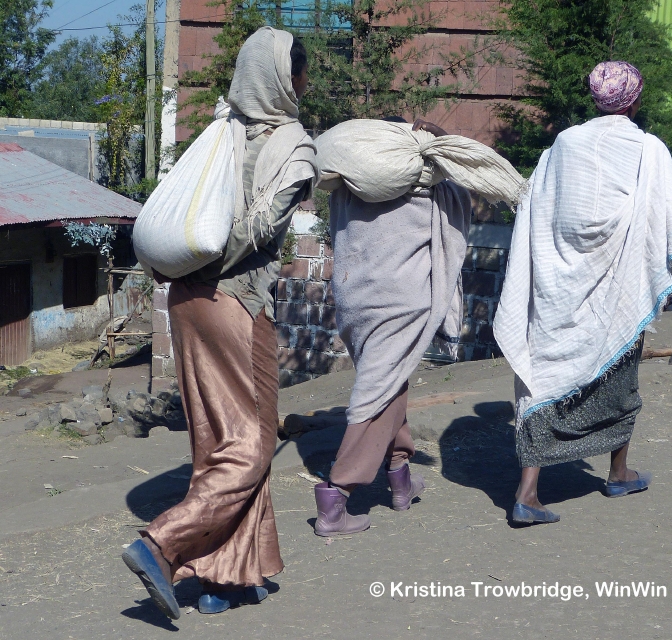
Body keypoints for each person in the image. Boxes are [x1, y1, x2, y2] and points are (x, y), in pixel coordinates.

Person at [121, 27, 316, 618]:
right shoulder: (293, 147)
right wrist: (215, 261)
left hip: (184, 300)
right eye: (302, 72)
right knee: (253, 443)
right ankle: (162, 544)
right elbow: (255, 233)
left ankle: (223, 578)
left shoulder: (222, 129)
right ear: (285, 78)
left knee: (216, 442)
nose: (306, 84)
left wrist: (188, 263)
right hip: (236, 305)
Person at [494, 61, 672, 525]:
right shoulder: (648, 149)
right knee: (621, 371)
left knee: (543, 375)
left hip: (558, 286)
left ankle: (528, 491)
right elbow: (666, 215)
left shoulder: (563, 144)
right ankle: (618, 472)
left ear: (595, 99)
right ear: (634, 101)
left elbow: (538, 206)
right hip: (620, 281)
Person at [312, 118, 473, 536]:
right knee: (378, 391)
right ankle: (336, 496)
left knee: (388, 378)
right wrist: (441, 139)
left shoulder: (348, 180)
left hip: (354, 296)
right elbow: (463, 182)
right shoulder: (425, 184)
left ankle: (400, 476)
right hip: (402, 298)